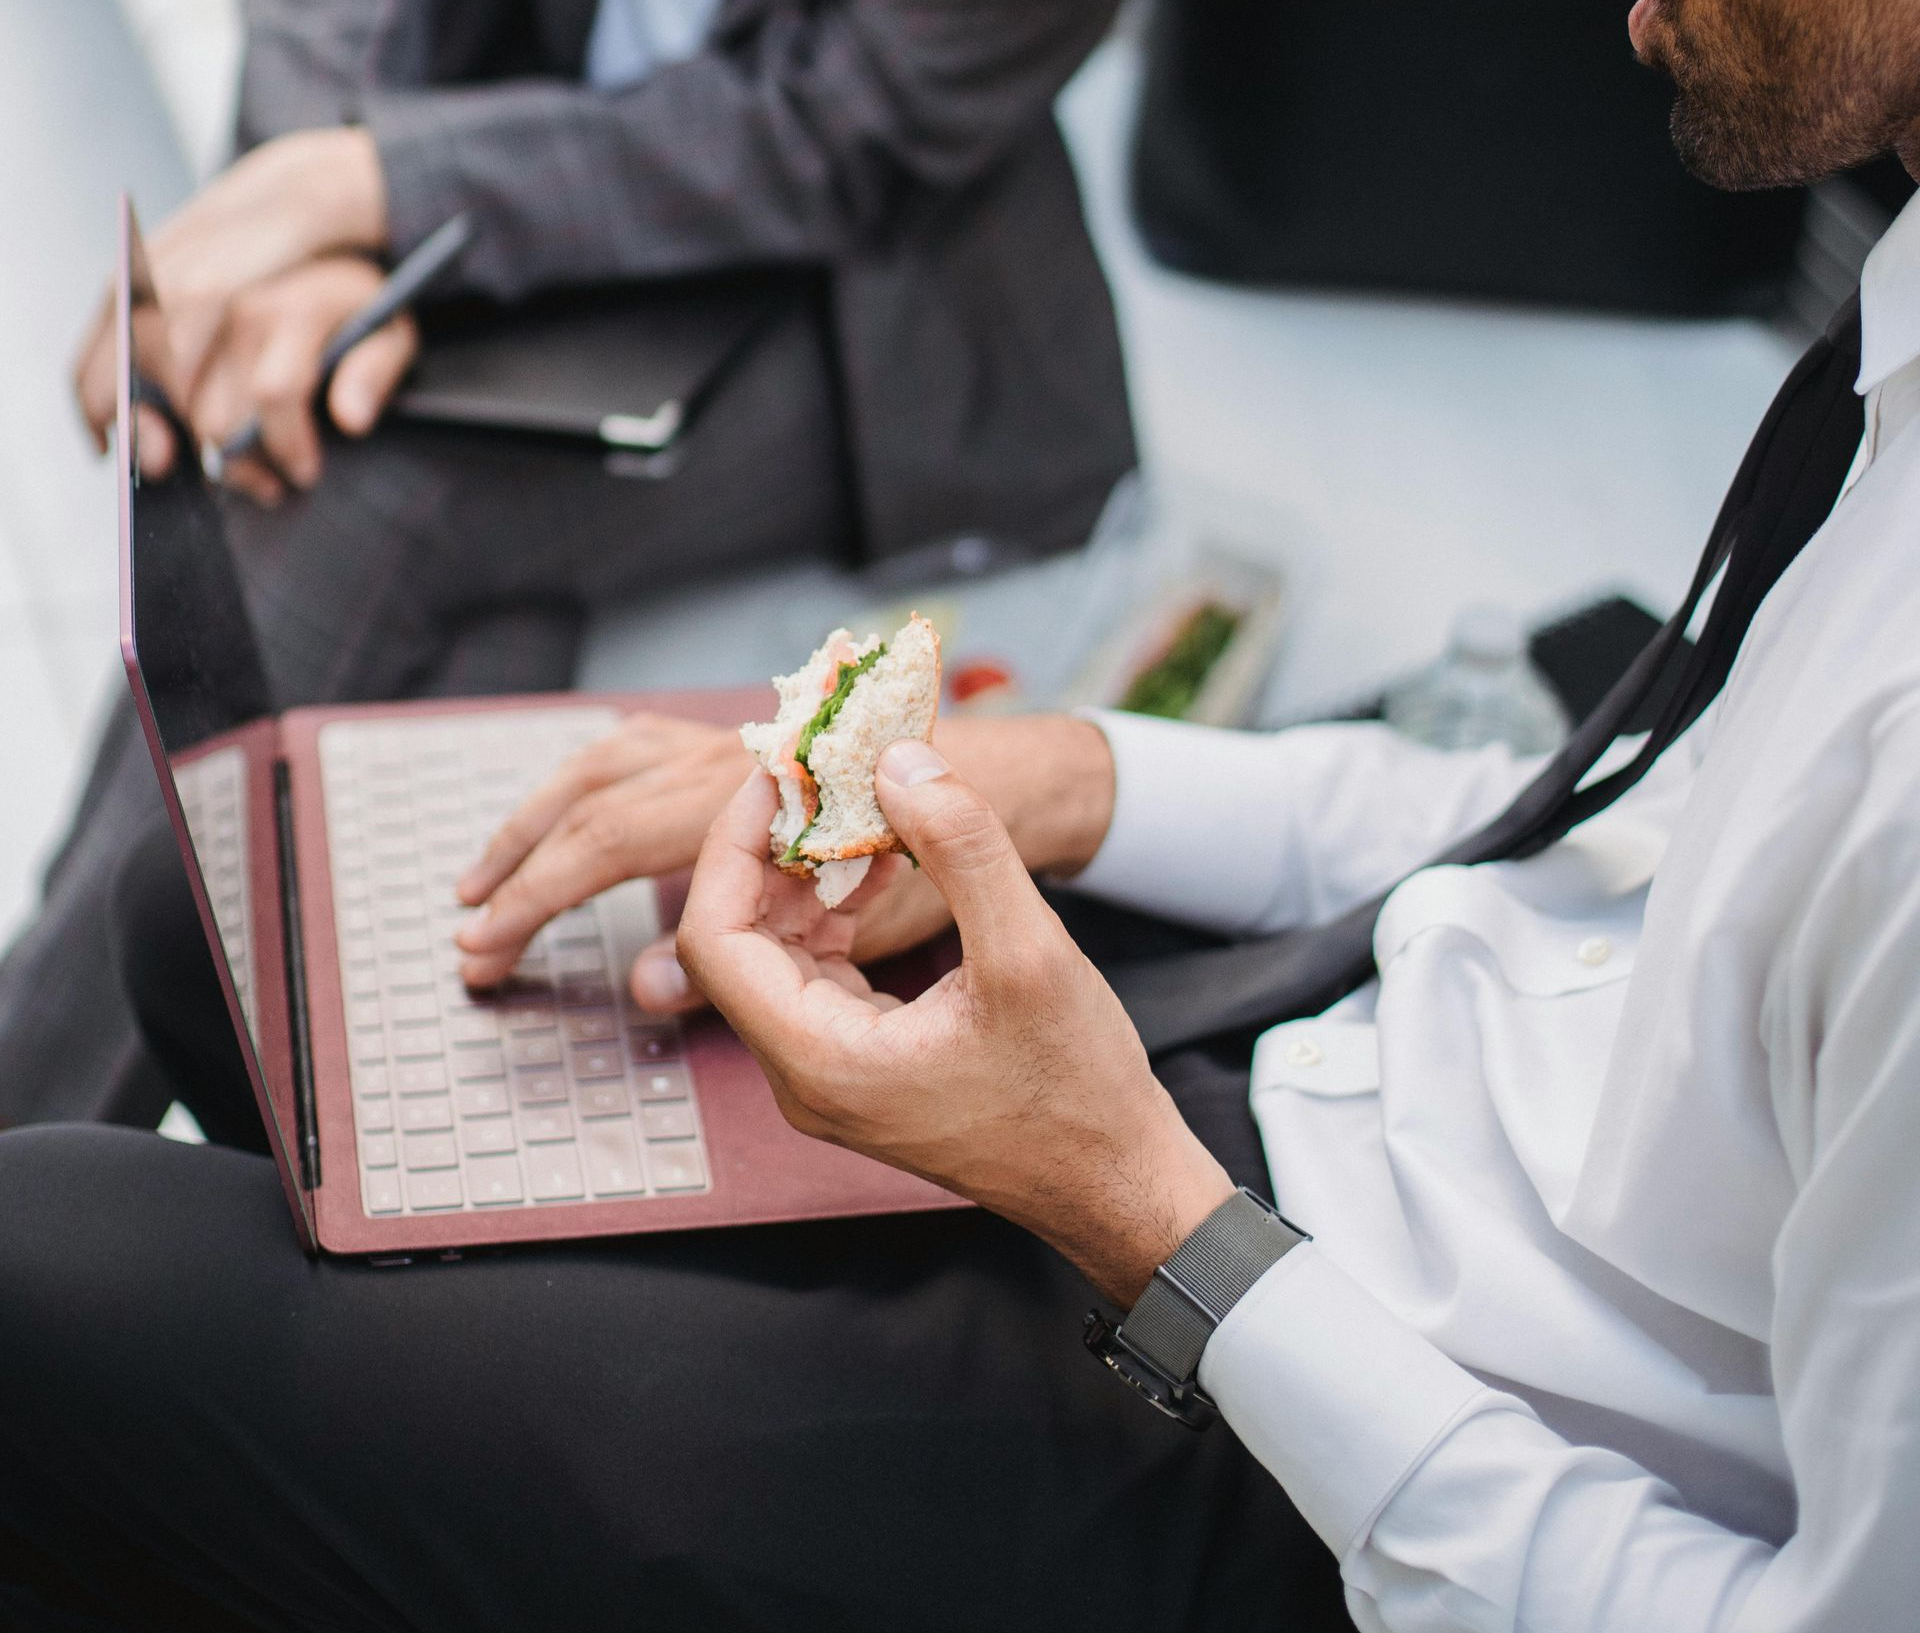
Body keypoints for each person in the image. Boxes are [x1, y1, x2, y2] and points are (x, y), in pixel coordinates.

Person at [4, 1, 1917, 1630]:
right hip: (1322, 1064)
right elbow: (1635, 824)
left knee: (48, 1261)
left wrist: (1139, 1209)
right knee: (242, 914)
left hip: (1328, 1429)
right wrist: (1066, 777)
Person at [0, 0, 1133, 1128]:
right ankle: (312, 1159)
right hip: (507, 160)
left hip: (865, 293)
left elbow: (832, 126)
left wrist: (373, 190)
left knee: (364, 497)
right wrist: (318, 248)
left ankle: (51, 1128)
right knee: (448, 617)